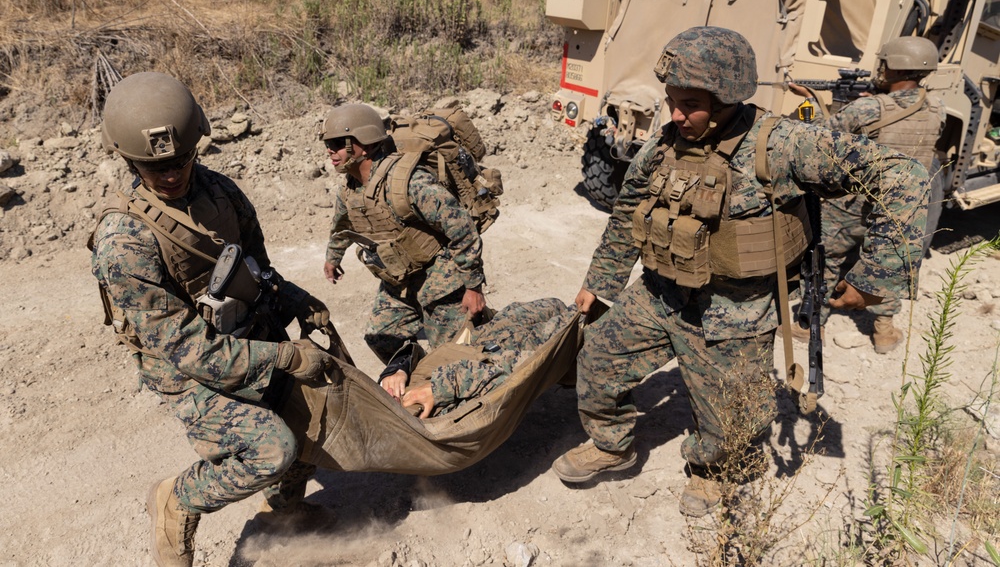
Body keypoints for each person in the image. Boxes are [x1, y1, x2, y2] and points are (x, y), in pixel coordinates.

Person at [550, 27, 929, 518]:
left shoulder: (784, 144)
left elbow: (904, 178)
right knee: (596, 362)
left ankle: (712, 471)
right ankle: (612, 444)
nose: (676, 115)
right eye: (671, 101)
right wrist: (600, 284)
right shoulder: (667, 142)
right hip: (661, 293)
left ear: (727, 96)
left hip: (737, 313)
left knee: (735, 420)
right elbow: (628, 212)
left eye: (690, 104)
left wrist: (873, 280)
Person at [89, 72, 335, 567]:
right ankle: (177, 503)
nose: (171, 175)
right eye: (152, 166)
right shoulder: (124, 240)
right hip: (184, 368)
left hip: (243, 334)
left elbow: (260, 271)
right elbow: (189, 351)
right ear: (127, 160)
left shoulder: (220, 194)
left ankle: (283, 512)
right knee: (270, 448)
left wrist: (301, 304)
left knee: (313, 407)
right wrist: (285, 356)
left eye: (180, 160)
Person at [789, 36, 945, 352]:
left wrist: (812, 102)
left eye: (884, 63)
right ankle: (884, 331)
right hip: (901, 204)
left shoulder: (867, 107)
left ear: (895, 66)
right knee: (889, 263)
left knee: (826, 257)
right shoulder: (937, 107)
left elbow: (823, 140)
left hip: (854, 203)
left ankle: (809, 322)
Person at [321, 103, 488, 399]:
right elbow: (341, 223)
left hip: (441, 280)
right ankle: (418, 374)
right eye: (328, 145)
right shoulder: (350, 188)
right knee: (379, 335)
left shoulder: (408, 182)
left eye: (337, 144)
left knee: (456, 356)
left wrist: (473, 285)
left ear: (363, 144)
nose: (330, 152)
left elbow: (461, 226)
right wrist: (333, 257)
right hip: (398, 280)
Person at [401, 298, 574, 418]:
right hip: (514, 356)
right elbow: (497, 379)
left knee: (553, 305)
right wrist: (438, 388)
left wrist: (397, 369)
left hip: (485, 337)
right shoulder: (424, 417)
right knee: (574, 324)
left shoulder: (394, 395)